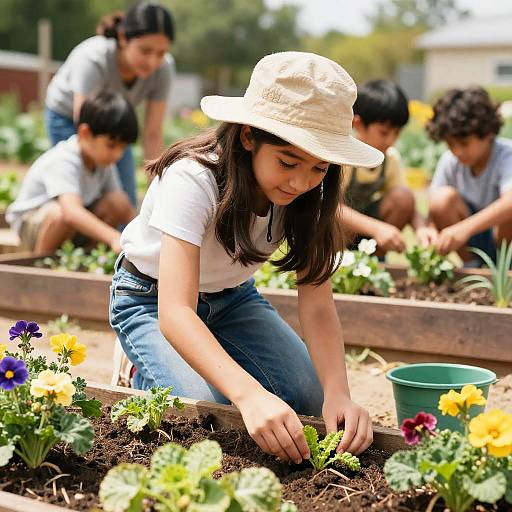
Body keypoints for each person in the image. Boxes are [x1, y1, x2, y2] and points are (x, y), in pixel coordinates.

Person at [110, 52, 382, 464]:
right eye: (288, 162)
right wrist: (249, 393)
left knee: (311, 399)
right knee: (211, 411)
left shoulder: (309, 197)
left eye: (319, 168)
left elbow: (319, 306)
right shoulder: (193, 178)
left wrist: (340, 393)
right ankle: (137, 369)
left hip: (233, 300)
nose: (301, 182)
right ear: (248, 136)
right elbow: (176, 312)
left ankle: (215, 358)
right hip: (151, 300)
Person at [45, 2, 176, 207]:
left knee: (126, 200)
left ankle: (115, 238)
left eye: (160, 53)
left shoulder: (164, 69)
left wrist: (156, 193)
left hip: (113, 123)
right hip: (71, 117)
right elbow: (86, 125)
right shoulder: (94, 58)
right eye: (145, 50)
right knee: (81, 190)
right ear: (124, 38)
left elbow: (152, 133)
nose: (152, 61)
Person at [6, 91, 137, 253]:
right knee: (60, 214)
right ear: (85, 133)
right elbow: (71, 212)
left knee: (118, 202)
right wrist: (113, 238)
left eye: (123, 148)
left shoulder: (103, 162)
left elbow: (120, 204)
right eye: (111, 145)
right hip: (32, 226)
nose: (118, 154)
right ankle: (42, 265)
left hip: (69, 227)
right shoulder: (65, 158)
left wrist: (145, 235)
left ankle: (87, 258)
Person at [341, 79, 436, 253]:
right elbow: (330, 209)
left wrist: (422, 228)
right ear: (358, 124)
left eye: (397, 133)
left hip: (365, 231)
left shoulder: (390, 158)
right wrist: (376, 228)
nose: (391, 140)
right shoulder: (344, 157)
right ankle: (329, 263)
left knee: (403, 198)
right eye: (384, 133)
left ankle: (374, 261)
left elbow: (406, 202)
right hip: (335, 232)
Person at [427, 87, 512, 263]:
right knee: (441, 199)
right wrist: (430, 232)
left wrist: (464, 228)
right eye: (451, 144)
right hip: (474, 241)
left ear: (488, 133)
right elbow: (434, 211)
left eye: (464, 143)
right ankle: (472, 265)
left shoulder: (506, 155)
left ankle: (505, 266)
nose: (457, 151)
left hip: (504, 240)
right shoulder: (450, 161)